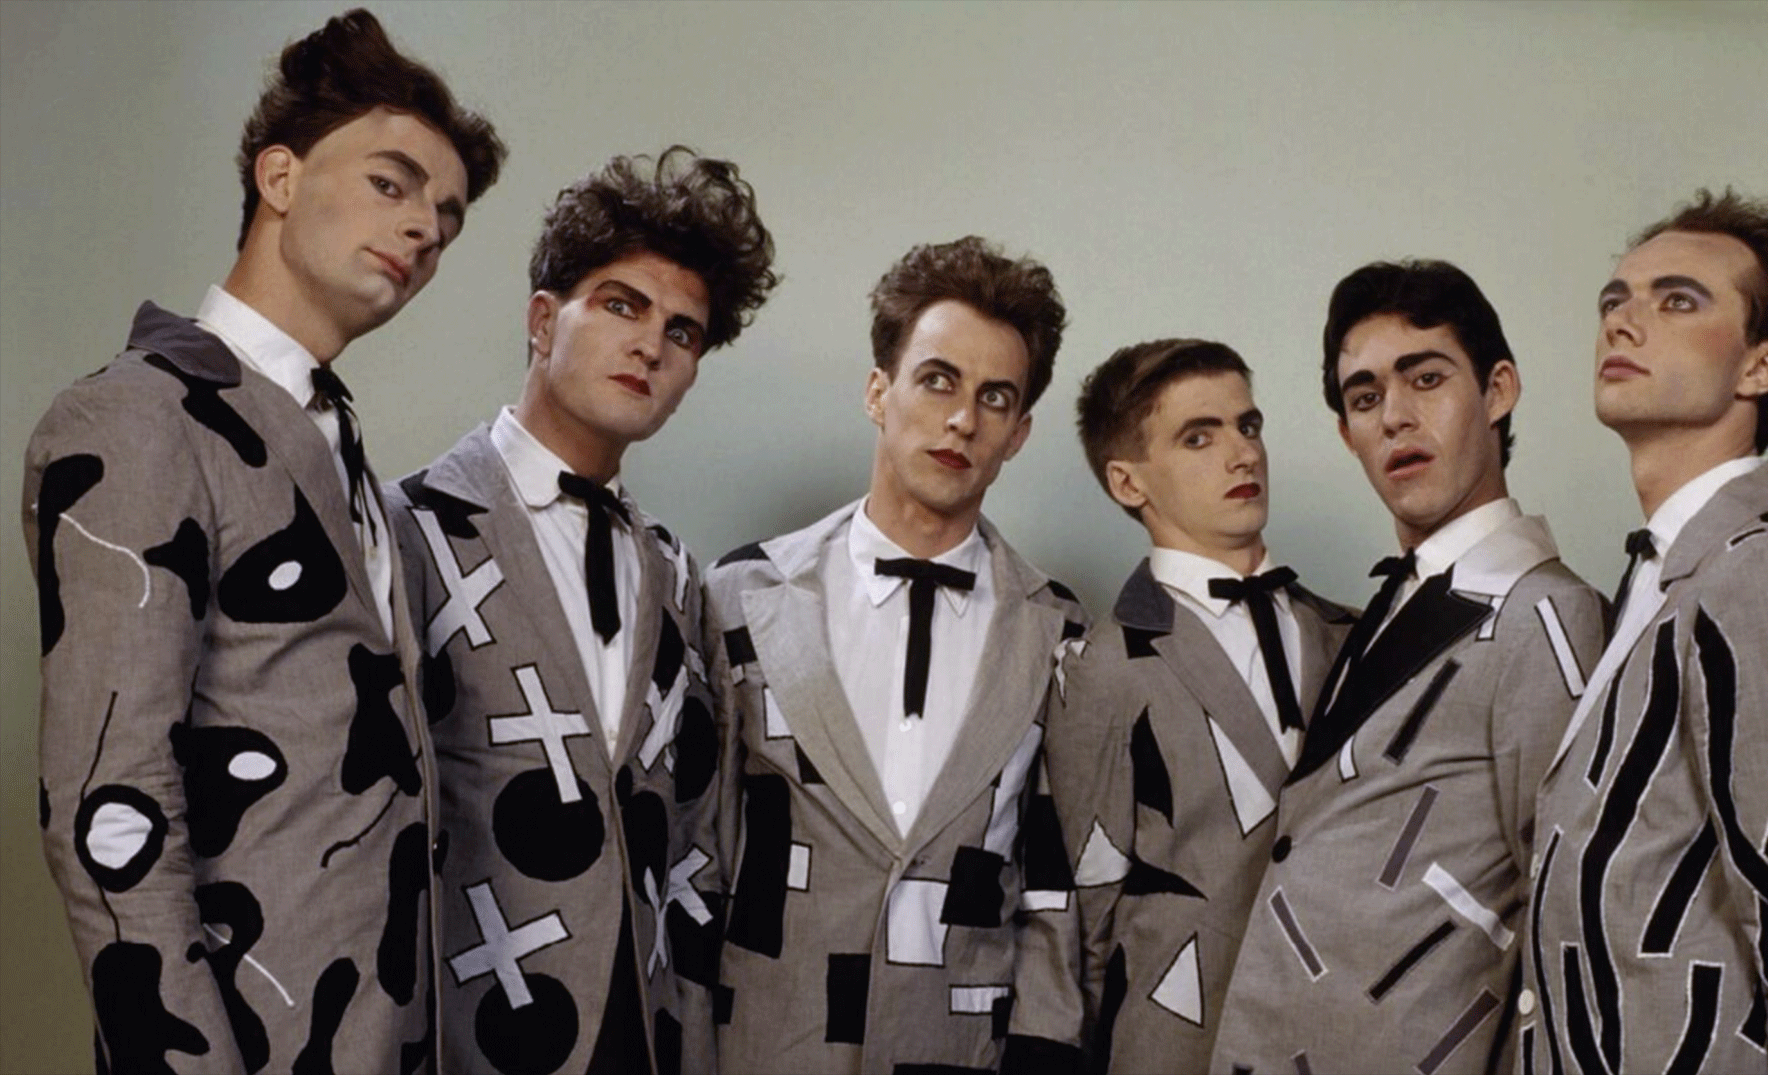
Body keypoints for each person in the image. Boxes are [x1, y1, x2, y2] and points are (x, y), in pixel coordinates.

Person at [21, 9, 504, 1073]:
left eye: (449, 215)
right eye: (393, 182)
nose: (426, 226)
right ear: (278, 178)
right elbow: (111, 811)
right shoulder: (138, 417)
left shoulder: (349, 458)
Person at [386, 148, 776, 1075]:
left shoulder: (678, 575)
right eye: (620, 304)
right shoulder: (404, 531)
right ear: (541, 320)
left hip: (635, 1034)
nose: (650, 344)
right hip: (454, 1029)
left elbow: (690, 826)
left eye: (683, 332)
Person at [691, 236, 1086, 1073]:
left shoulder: (1057, 631)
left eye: (994, 397)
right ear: (880, 391)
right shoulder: (744, 595)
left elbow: (1055, 889)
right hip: (762, 1045)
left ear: (1018, 433)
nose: (961, 420)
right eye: (937, 380)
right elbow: (696, 850)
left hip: (958, 1049)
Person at [1526, 190, 1768, 1074]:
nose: (1624, 321)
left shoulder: (1762, 575)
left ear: (1762, 365)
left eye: (1677, 300)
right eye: (1615, 299)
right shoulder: (1660, 578)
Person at [1208, 260, 1604, 1074]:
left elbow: (1568, 915)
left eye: (1426, 378)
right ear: (1347, 431)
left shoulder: (1547, 617)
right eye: (1364, 397)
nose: (1395, 416)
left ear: (1498, 391)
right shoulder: (1388, 603)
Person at [1007, 338, 1355, 1072]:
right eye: (1200, 436)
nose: (1242, 454)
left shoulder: (1355, 634)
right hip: (1171, 1046)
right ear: (1129, 481)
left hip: (1343, 1039)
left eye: (1247, 425)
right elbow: (1079, 912)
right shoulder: (1100, 668)